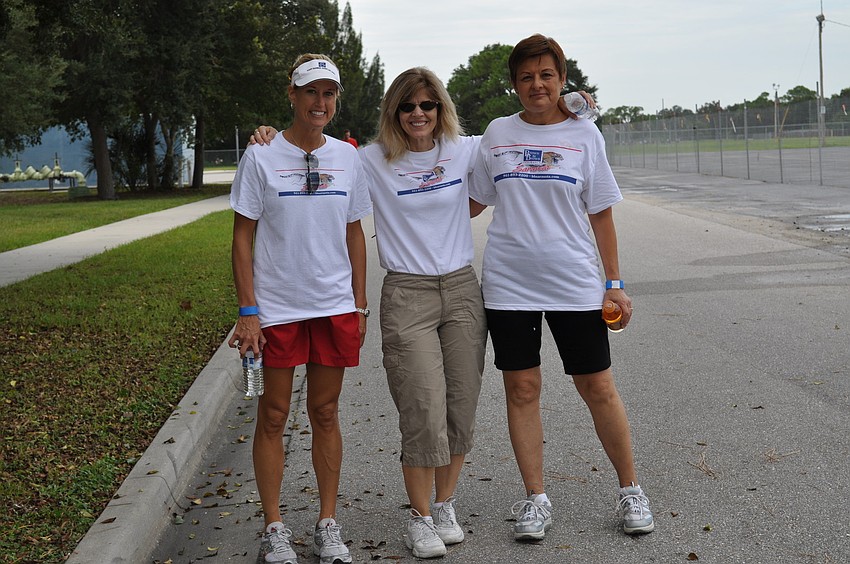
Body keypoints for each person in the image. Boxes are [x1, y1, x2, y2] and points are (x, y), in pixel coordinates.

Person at [253, 67, 488, 559]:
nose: (418, 114)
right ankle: (420, 517)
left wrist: (578, 108)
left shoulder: (465, 150)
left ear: (441, 109)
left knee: (460, 404)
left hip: (462, 289)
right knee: (423, 405)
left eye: (427, 105)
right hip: (407, 292)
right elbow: (308, 154)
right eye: (407, 106)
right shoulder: (369, 159)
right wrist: (271, 136)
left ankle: (445, 503)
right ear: (393, 112)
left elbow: (518, 134)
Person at [467, 33, 655, 541]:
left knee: (597, 387)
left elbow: (601, 213)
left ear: (562, 78)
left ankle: (630, 490)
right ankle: (536, 500)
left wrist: (614, 283)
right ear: (514, 84)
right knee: (522, 389)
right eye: (526, 76)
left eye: (546, 75)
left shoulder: (583, 134)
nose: (537, 84)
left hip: (575, 283)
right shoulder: (496, 133)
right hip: (509, 285)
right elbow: (472, 202)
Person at [228, 53, 372, 564]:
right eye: (311, 92)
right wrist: (249, 311)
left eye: (329, 93)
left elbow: (355, 232)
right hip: (278, 307)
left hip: (332, 305)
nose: (320, 102)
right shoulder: (261, 155)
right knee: (273, 415)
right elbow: (241, 237)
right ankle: (274, 528)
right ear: (292, 94)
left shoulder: (348, 156)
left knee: (326, 412)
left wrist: (358, 301)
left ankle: (327, 525)